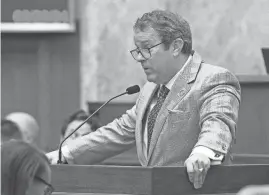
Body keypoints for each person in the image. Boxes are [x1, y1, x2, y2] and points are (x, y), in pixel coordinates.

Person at [47, 9, 241, 189]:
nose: (139, 57)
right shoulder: (150, 89)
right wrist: (66, 153)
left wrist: (203, 151)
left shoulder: (213, 78)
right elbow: (119, 131)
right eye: (137, 50)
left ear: (176, 46)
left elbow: (218, 122)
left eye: (146, 48)